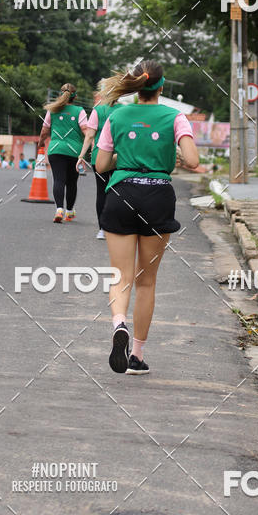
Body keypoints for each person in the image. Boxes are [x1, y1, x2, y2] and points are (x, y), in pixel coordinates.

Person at [95, 60, 199, 375]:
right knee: (146, 281)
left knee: (120, 277)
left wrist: (126, 153)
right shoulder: (175, 117)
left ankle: (118, 325)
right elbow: (193, 160)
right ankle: (137, 356)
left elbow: (100, 165)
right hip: (157, 197)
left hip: (121, 195)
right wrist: (170, 153)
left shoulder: (117, 115)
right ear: (162, 87)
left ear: (137, 86)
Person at [38, 82, 88, 223]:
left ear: (60, 94)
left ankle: (59, 209)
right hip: (75, 152)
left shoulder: (52, 110)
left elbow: (44, 131)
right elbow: (86, 131)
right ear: (75, 96)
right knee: (72, 183)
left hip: (55, 150)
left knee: (58, 180)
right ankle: (69, 211)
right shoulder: (80, 111)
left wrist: (41, 143)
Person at [76, 90, 117, 240]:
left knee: (102, 191)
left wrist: (81, 155)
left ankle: (102, 229)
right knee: (118, 191)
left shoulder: (98, 110)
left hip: (100, 155)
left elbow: (90, 135)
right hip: (121, 156)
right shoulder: (125, 111)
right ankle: (116, 227)